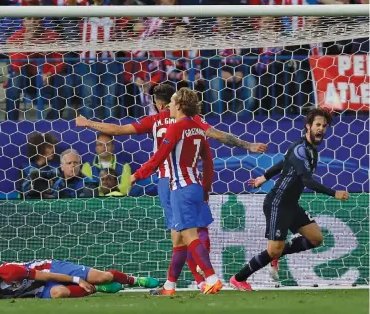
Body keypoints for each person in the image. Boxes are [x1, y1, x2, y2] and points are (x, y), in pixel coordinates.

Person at [76, 83, 267, 295]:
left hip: (173, 183)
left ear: (162, 104)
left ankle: (207, 278)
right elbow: (215, 145)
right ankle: (171, 285)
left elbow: (123, 133)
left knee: (184, 234)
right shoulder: (197, 122)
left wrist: (88, 123)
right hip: (195, 182)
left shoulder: (161, 121)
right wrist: (246, 146)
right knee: (192, 232)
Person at [230, 108, 349, 291]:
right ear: (308, 126)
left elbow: (283, 163)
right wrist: (334, 193)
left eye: (324, 126)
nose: (321, 129)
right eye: (318, 125)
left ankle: (279, 253)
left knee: (316, 238)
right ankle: (239, 278)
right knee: (272, 251)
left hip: (291, 204)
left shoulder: (309, 149)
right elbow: (306, 180)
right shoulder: (301, 149)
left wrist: (264, 177)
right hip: (278, 203)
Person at [130, 88, 221, 294]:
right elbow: (208, 162)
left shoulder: (176, 128)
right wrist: (205, 189)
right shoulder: (198, 128)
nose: (168, 106)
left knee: (189, 236)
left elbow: (159, 157)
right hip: (196, 186)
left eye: (171, 102)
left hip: (180, 188)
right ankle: (169, 286)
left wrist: (138, 174)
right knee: (180, 238)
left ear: (179, 106)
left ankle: (211, 278)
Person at [0, 259, 159, 299]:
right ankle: (96, 289)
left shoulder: (9, 272)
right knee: (58, 293)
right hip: (40, 289)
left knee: (104, 276)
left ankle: (135, 280)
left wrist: (77, 280)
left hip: (51, 269)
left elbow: (47, 275)